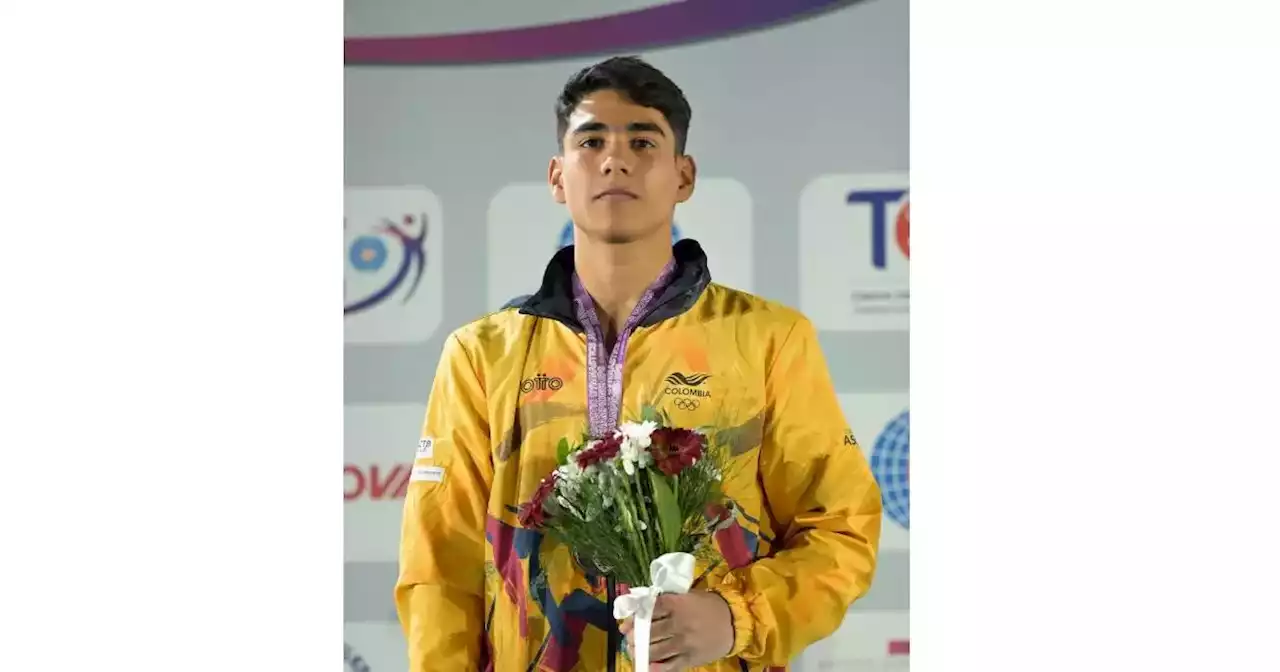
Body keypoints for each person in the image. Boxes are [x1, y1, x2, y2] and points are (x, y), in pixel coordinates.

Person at [395, 55, 883, 672]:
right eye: (591, 140)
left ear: (684, 175)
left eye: (642, 141)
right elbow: (440, 566)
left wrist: (738, 616)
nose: (614, 159)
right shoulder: (481, 355)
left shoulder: (767, 341)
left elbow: (839, 530)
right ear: (556, 176)